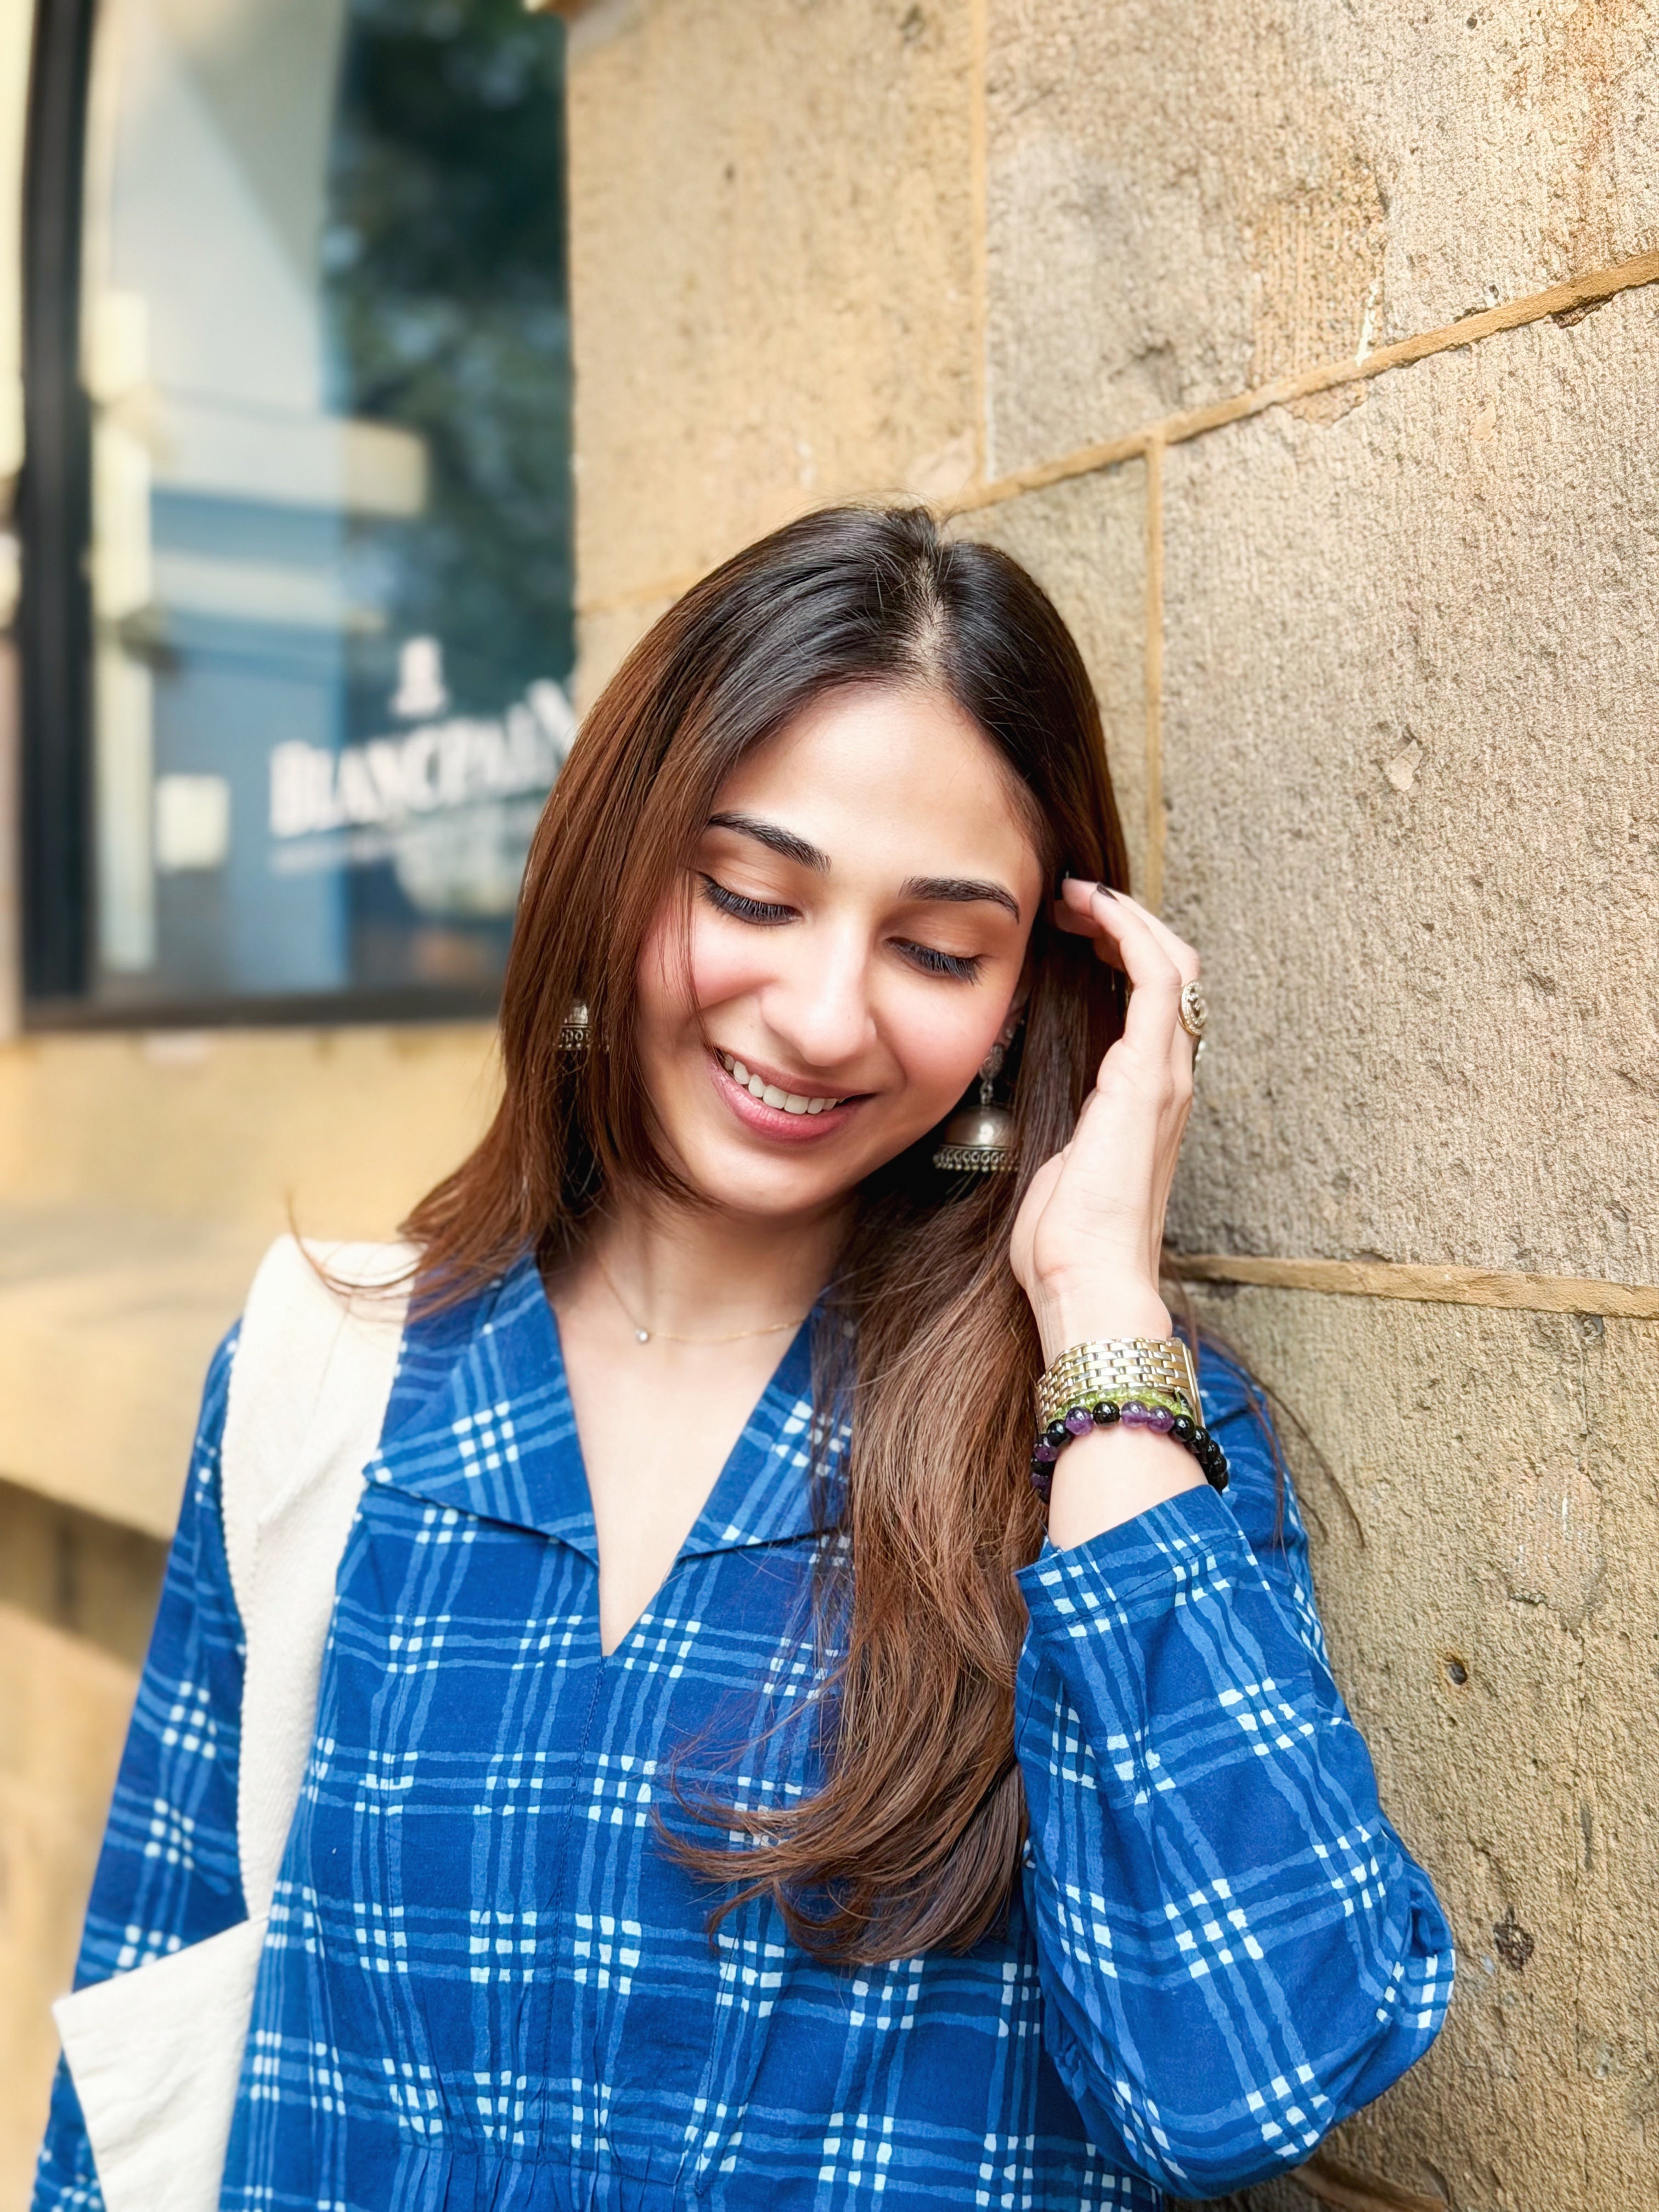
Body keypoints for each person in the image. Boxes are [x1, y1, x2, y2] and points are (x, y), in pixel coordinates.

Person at [35, 505, 1451, 2212]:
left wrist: (1094, 1312)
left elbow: (1249, 2078)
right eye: (753, 895)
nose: (824, 1014)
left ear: (1036, 993)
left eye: (938, 948)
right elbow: (149, 2010)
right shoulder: (331, 1373)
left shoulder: (1107, 1442)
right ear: (616, 865)